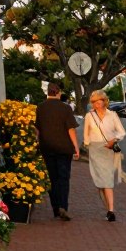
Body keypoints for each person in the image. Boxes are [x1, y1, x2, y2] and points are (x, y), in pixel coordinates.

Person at [34, 82, 80, 221]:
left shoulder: (40, 108)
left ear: (47, 92)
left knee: (52, 178)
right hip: (64, 147)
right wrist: (76, 147)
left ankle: (55, 208)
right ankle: (63, 206)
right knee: (63, 178)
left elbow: (37, 129)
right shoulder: (65, 108)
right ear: (58, 92)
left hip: (47, 147)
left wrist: (37, 141)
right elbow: (70, 129)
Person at [84, 89, 126, 222]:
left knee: (107, 179)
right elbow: (86, 134)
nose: (97, 104)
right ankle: (108, 208)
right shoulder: (89, 116)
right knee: (99, 182)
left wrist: (113, 140)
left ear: (104, 101)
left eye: (99, 101)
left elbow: (122, 132)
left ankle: (111, 210)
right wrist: (87, 146)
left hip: (108, 149)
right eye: (94, 102)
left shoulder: (112, 115)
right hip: (95, 149)